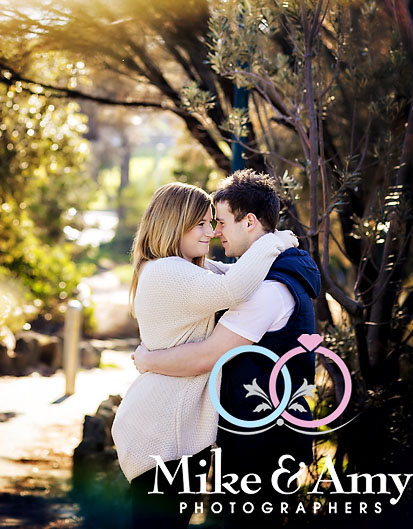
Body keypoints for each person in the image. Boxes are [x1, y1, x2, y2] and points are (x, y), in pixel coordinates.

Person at [134, 170, 321, 528]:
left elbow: (210, 355)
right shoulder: (269, 274)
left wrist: (148, 360)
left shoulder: (266, 290)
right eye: (205, 224)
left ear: (249, 222)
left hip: (262, 443)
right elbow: (217, 276)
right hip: (248, 436)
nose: (215, 232)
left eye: (219, 222)